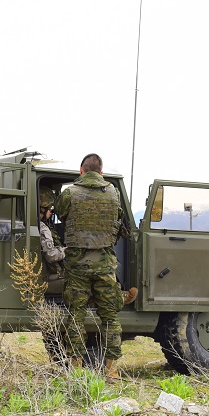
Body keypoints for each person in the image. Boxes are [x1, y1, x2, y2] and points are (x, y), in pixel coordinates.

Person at [55, 153, 127, 379]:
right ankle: (111, 370)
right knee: (110, 317)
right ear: (101, 172)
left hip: (77, 265)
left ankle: (76, 367)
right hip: (105, 265)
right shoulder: (114, 193)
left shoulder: (69, 194)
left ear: (81, 170)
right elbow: (119, 220)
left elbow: (61, 215)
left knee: (75, 315)